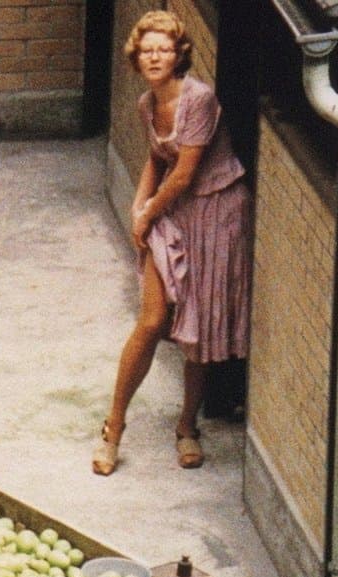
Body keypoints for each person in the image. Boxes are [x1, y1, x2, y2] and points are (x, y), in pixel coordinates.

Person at [92, 10, 252, 476]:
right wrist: (137, 212)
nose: (155, 57)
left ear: (179, 54)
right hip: (172, 212)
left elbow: (183, 173)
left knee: (196, 332)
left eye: (163, 49)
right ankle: (112, 429)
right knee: (152, 319)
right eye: (147, 51)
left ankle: (187, 428)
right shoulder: (147, 104)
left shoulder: (198, 99)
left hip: (216, 213)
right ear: (137, 59)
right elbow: (157, 162)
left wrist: (148, 215)